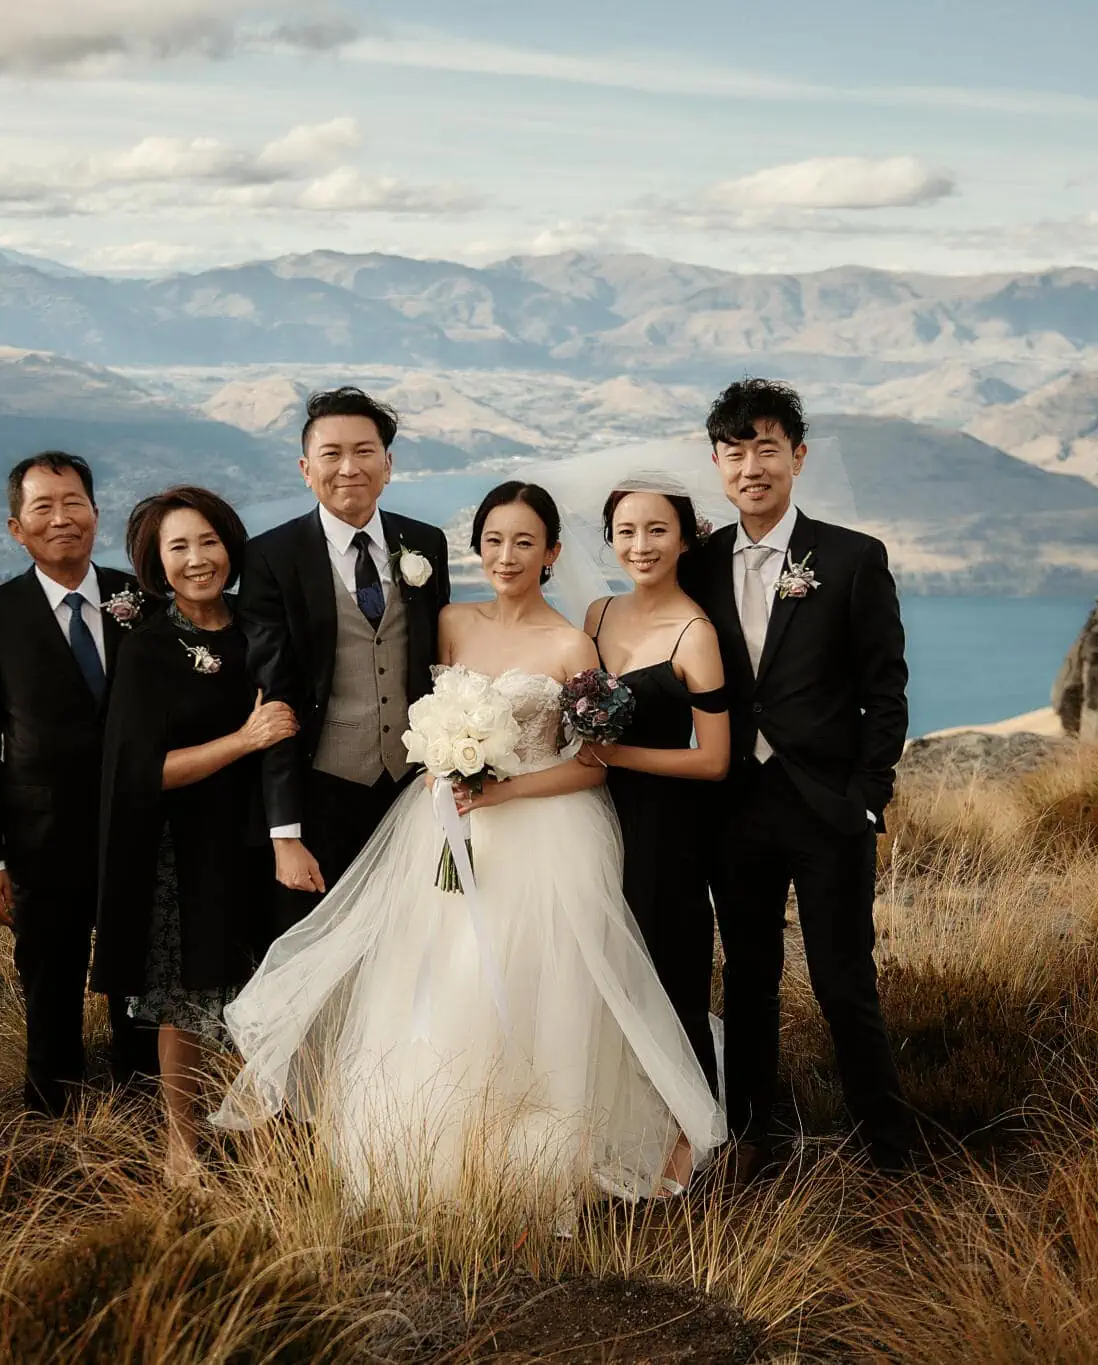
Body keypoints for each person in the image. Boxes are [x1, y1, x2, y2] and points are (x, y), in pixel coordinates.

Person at [214, 481, 722, 1219]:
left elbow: (589, 765)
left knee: (530, 987)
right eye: (493, 541)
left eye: (525, 543)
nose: (506, 556)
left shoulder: (572, 643)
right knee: (437, 979)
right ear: (476, 547)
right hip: (443, 832)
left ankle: (532, 1158)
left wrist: (502, 791)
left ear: (551, 552)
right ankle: (425, 1149)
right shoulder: (451, 622)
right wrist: (441, 763)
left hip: (542, 837)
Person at [683, 378, 917, 1175]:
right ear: (717, 464)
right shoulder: (697, 562)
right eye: (735, 451)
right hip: (731, 808)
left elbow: (886, 690)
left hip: (827, 807)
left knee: (844, 981)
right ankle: (754, 1141)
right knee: (747, 978)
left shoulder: (851, 558)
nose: (752, 466)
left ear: (799, 456)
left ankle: (890, 1151)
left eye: (768, 449)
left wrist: (868, 797)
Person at [95, 486, 298, 1185]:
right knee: (183, 998)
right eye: (178, 547)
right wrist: (243, 739)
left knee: (261, 989)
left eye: (208, 541)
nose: (197, 558)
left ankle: (265, 1140)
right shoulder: (149, 647)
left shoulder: (259, 626)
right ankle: (182, 1146)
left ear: (231, 546)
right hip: (183, 846)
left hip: (261, 838)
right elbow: (142, 771)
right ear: (156, 562)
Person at [0, 451, 155, 1117]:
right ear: (17, 528)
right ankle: (51, 1120)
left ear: (96, 512)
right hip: (40, 842)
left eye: (74, 503)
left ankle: (143, 1108)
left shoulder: (140, 599)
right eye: (43, 507)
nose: (61, 518)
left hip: (139, 831)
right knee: (50, 987)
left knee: (139, 986)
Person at [242, 387, 451, 930]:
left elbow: (438, 663)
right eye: (331, 454)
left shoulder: (426, 542)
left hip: (414, 786)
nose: (349, 468)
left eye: (364, 451)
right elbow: (276, 694)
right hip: (323, 791)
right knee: (324, 941)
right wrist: (285, 834)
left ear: (388, 464)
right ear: (305, 469)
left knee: (415, 937)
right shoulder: (271, 557)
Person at [579, 489, 731, 1091]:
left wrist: (616, 756)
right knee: (599, 966)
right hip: (591, 812)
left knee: (666, 969)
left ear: (686, 539)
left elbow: (714, 760)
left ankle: (690, 1123)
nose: (640, 546)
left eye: (657, 530)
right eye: (626, 531)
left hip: (663, 826)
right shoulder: (597, 614)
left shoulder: (696, 633)